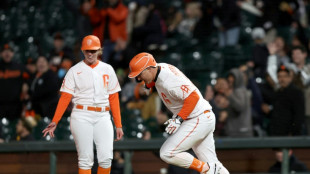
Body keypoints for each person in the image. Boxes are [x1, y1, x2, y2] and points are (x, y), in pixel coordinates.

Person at [128, 52, 229, 174]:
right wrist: (149, 85)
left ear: (149, 68)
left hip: (197, 118)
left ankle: (206, 169)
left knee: (167, 153)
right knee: (214, 165)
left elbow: (193, 97)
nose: (138, 78)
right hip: (202, 116)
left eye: (139, 74)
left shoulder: (168, 81)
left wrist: (178, 119)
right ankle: (211, 168)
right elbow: (155, 77)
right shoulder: (158, 67)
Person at [42, 35, 124, 174]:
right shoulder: (74, 70)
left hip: (103, 115)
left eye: (93, 50)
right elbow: (65, 97)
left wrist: (118, 124)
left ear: (99, 50)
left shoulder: (108, 69)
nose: (90, 53)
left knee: (106, 158)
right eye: (87, 51)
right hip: (81, 115)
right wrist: (55, 120)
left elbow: (114, 98)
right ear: (82, 51)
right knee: (86, 159)